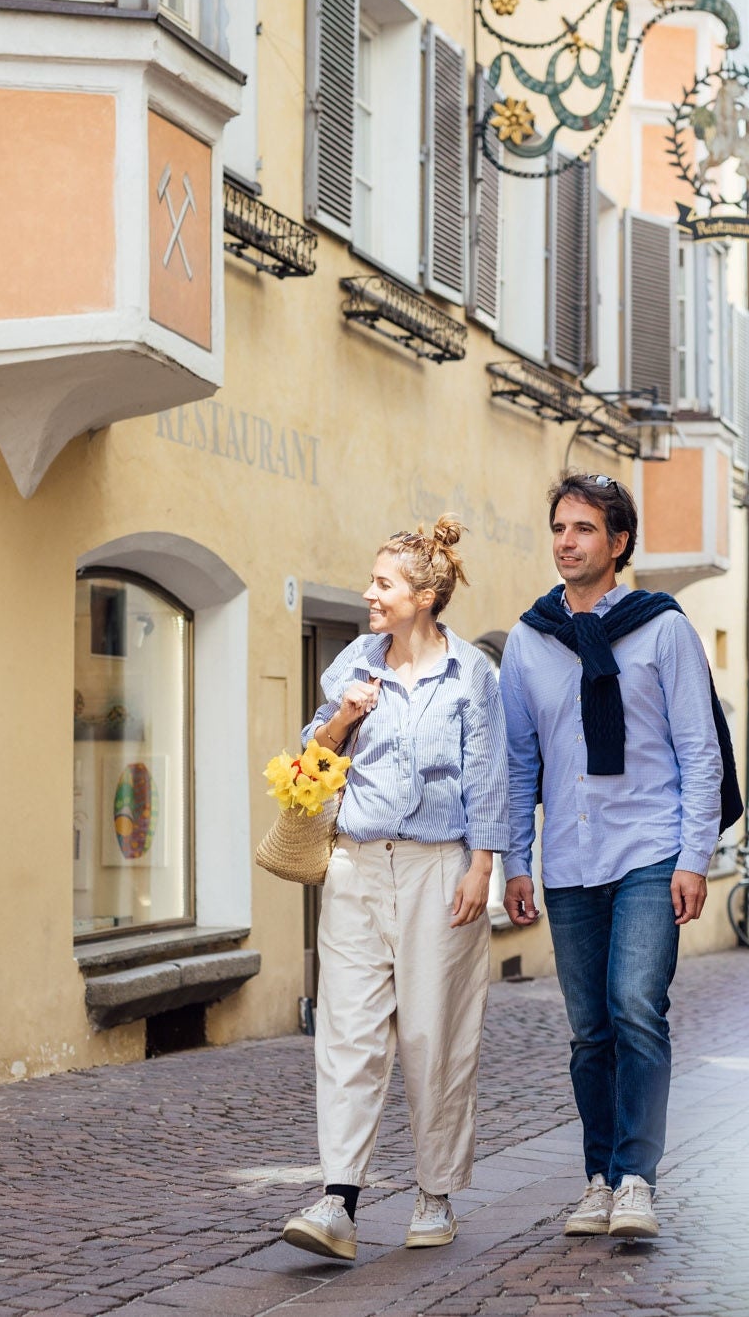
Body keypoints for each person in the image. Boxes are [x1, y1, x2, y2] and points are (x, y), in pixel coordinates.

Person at [500, 474, 735, 1242]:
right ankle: (598, 1176)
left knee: (636, 1008)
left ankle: (637, 1177)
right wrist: (514, 862)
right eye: (560, 528)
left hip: (648, 849)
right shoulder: (530, 639)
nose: (567, 542)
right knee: (588, 1030)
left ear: (618, 542)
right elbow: (517, 760)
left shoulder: (662, 629)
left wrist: (694, 856)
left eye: (584, 530)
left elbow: (699, 750)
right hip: (568, 859)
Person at [278, 518, 505, 1262]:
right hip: (356, 863)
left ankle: (434, 1192)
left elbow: (488, 776)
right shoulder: (351, 664)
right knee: (347, 1029)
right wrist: (344, 714)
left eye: (383, 584)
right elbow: (313, 758)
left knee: (432, 1035)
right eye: (372, 582)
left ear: (426, 596)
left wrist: (484, 863)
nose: (369, 594)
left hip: (443, 867)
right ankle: (338, 1201)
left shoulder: (471, 675)